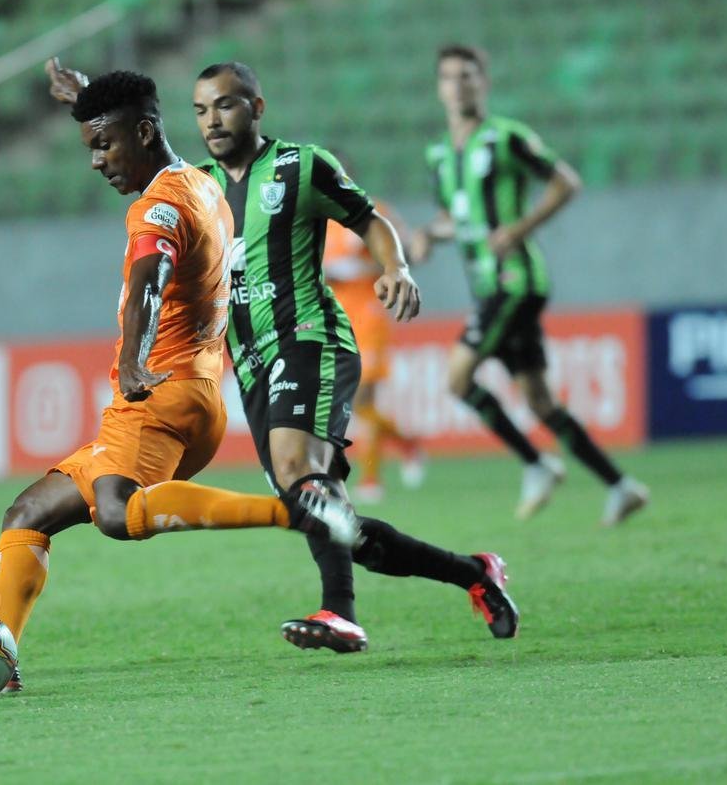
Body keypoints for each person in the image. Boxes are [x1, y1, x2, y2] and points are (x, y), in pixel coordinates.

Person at [42, 61, 516, 661]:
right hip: (250, 365)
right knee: (333, 518)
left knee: (299, 476)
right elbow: (138, 135)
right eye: (201, 110)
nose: (213, 120)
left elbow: (369, 221)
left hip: (309, 339)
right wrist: (85, 98)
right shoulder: (200, 185)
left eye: (226, 105)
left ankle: (340, 616)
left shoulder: (301, 166)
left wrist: (394, 267)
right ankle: (474, 572)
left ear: (256, 108)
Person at [409, 44, 649, 526]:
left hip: (516, 280)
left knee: (456, 377)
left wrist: (518, 229)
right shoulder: (439, 155)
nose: (460, 85)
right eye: (450, 77)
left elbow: (566, 182)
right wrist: (427, 235)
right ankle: (621, 485)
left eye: (469, 75)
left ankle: (538, 465)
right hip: (485, 283)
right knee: (539, 399)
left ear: (484, 82)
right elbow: (459, 218)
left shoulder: (506, 138)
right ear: (439, 89)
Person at [323, 207, 426, 505]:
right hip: (337, 317)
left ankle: (371, 479)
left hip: (369, 314)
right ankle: (407, 443)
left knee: (361, 398)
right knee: (352, 403)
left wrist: (353, 270)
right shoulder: (319, 219)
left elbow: (403, 256)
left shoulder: (373, 213)